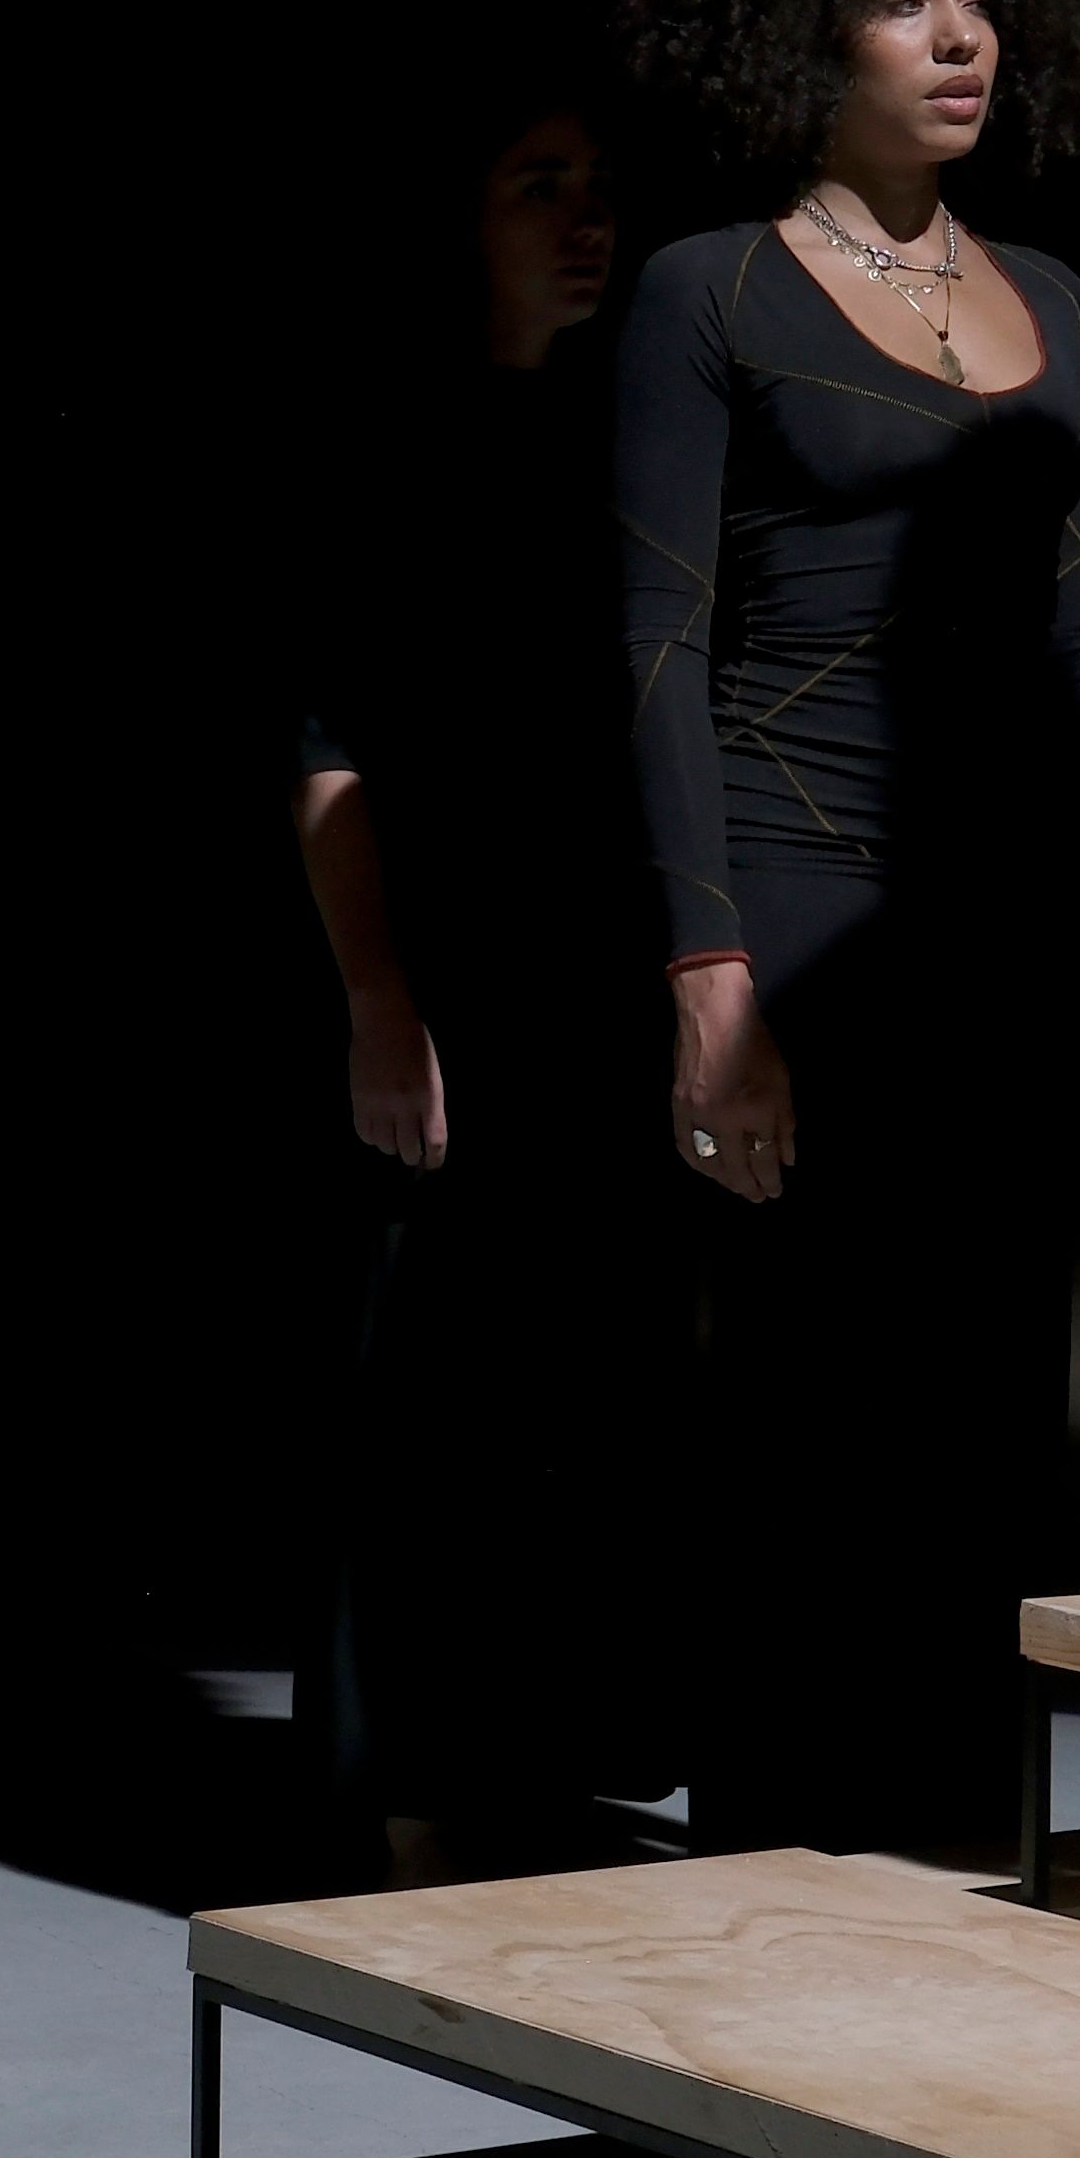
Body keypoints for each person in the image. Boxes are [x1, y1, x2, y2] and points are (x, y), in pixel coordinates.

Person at [612, 0, 1080, 1852]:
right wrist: (708, 976)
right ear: (807, 37)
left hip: (1007, 929)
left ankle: (960, 1866)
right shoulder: (710, 288)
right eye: (904, 0)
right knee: (806, 1417)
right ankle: (775, 1871)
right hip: (799, 899)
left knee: (988, 1422)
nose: (960, 39)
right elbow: (658, 640)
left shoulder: (1063, 303)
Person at [288, 95, 653, 1882]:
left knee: (573, 1391)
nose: (584, 219)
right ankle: (415, 1805)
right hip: (440, 983)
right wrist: (380, 1003)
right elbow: (327, 755)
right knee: (426, 1400)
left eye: (599, 190)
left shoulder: (632, 436)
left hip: (596, 975)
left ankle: (543, 1774)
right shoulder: (391, 445)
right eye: (537, 186)